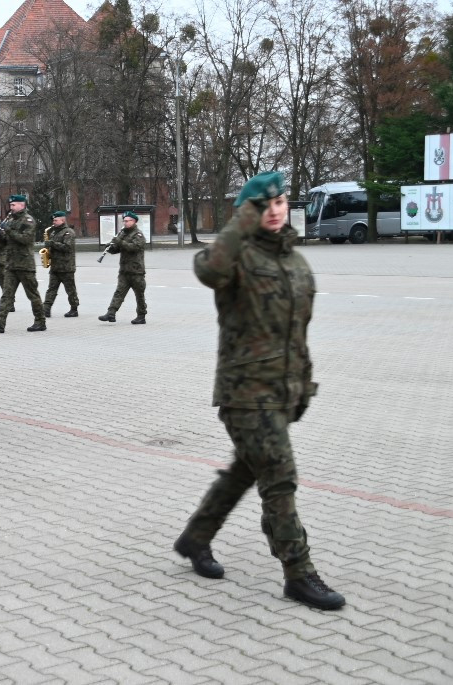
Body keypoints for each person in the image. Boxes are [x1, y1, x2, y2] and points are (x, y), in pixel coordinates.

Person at [173, 171, 345, 611]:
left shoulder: (295, 263)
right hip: (244, 393)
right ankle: (299, 573)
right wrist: (240, 224)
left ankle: (196, 538)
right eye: (261, 205)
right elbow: (207, 269)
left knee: (245, 471)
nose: (273, 210)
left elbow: (297, 335)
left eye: (280, 202)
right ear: (247, 211)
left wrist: (302, 386)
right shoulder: (235, 258)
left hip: (282, 390)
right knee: (279, 476)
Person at [0, 195, 46, 333]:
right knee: (7, 295)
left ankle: (40, 321)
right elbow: (6, 242)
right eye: (10, 205)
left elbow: (25, 239)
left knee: (32, 294)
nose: (11, 208)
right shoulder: (11, 220)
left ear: (22, 205)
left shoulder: (28, 220)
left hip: (25, 264)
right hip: (11, 264)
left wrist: (8, 230)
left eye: (13, 205)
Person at [98, 211, 147, 324]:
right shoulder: (123, 233)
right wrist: (110, 247)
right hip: (124, 270)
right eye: (124, 221)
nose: (124, 223)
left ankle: (141, 316)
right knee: (119, 292)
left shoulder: (138, 235)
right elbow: (117, 249)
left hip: (136, 270)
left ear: (134, 221)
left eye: (127, 221)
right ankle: (111, 313)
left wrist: (119, 241)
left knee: (139, 295)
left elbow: (133, 248)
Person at [42, 211, 79, 317]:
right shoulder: (53, 232)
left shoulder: (68, 232)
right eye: (53, 220)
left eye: (56, 220)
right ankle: (46, 309)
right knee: (51, 289)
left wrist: (52, 244)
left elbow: (67, 247)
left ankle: (74, 309)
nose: (53, 222)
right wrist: (47, 250)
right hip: (55, 266)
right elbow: (53, 247)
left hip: (66, 267)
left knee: (70, 289)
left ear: (62, 220)